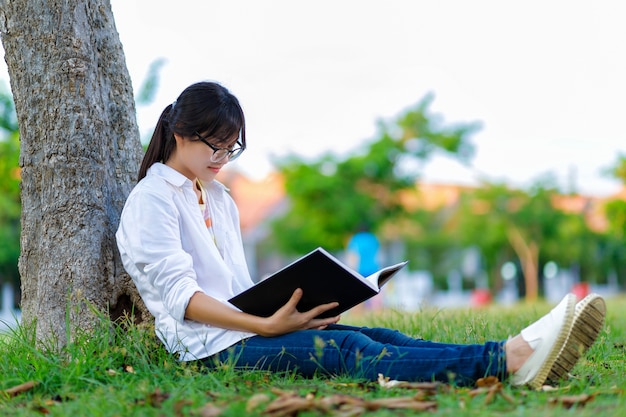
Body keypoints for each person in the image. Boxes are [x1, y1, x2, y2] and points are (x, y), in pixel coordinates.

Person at [115, 81, 606, 388]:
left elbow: (237, 287)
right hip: (208, 348)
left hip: (246, 329)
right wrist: (265, 327)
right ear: (180, 133)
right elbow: (182, 297)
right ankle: (510, 360)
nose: (222, 159)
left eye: (231, 149)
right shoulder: (152, 199)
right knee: (352, 353)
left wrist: (292, 310)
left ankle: (506, 353)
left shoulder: (218, 198)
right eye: (213, 147)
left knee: (378, 334)